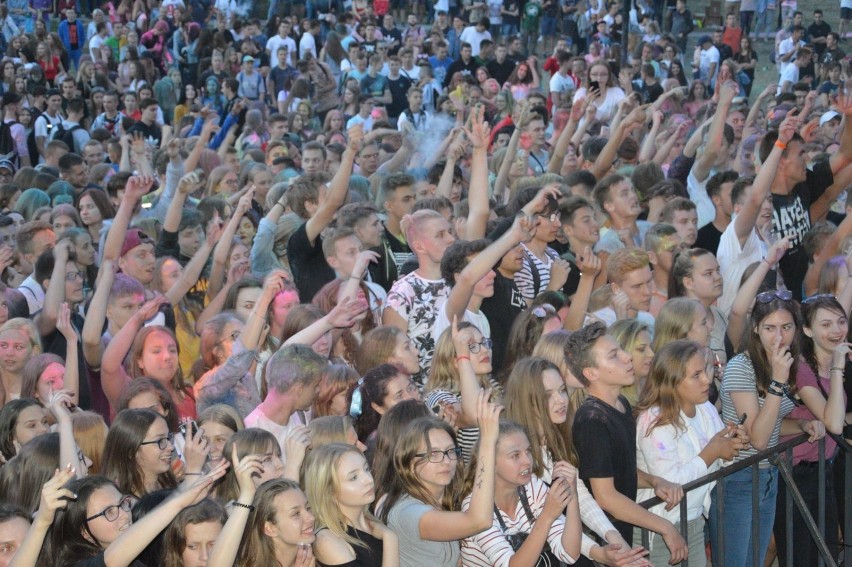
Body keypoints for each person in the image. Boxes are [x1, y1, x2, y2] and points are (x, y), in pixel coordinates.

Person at [713, 290, 825, 566]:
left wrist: (799, 423)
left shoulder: (781, 364)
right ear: (755, 330)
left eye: (786, 327)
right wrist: (777, 382)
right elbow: (759, 438)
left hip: (767, 477)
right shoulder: (742, 367)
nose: (779, 337)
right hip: (738, 479)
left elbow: (771, 424)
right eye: (770, 328)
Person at [634, 340, 748, 566]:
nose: (707, 379)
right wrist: (712, 452)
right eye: (696, 375)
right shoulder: (655, 422)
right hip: (659, 526)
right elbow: (671, 484)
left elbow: (717, 462)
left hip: (693, 518)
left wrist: (730, 445)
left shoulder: (705, 408)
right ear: (671, 381)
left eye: (705, 370)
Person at [375, 393, 501, 567]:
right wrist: (487, 441)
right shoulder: (406, 512)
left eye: (450, 451)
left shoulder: (442, 499)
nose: (446, 461)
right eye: (433, 454)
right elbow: (479, 520)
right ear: (409, 463)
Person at [302, 443, 399, 566]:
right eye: (353, 478)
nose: (368, 480)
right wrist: (390, 538)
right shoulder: (327, 540)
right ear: (329, 492)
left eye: (366, 469)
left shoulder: (373, 521)